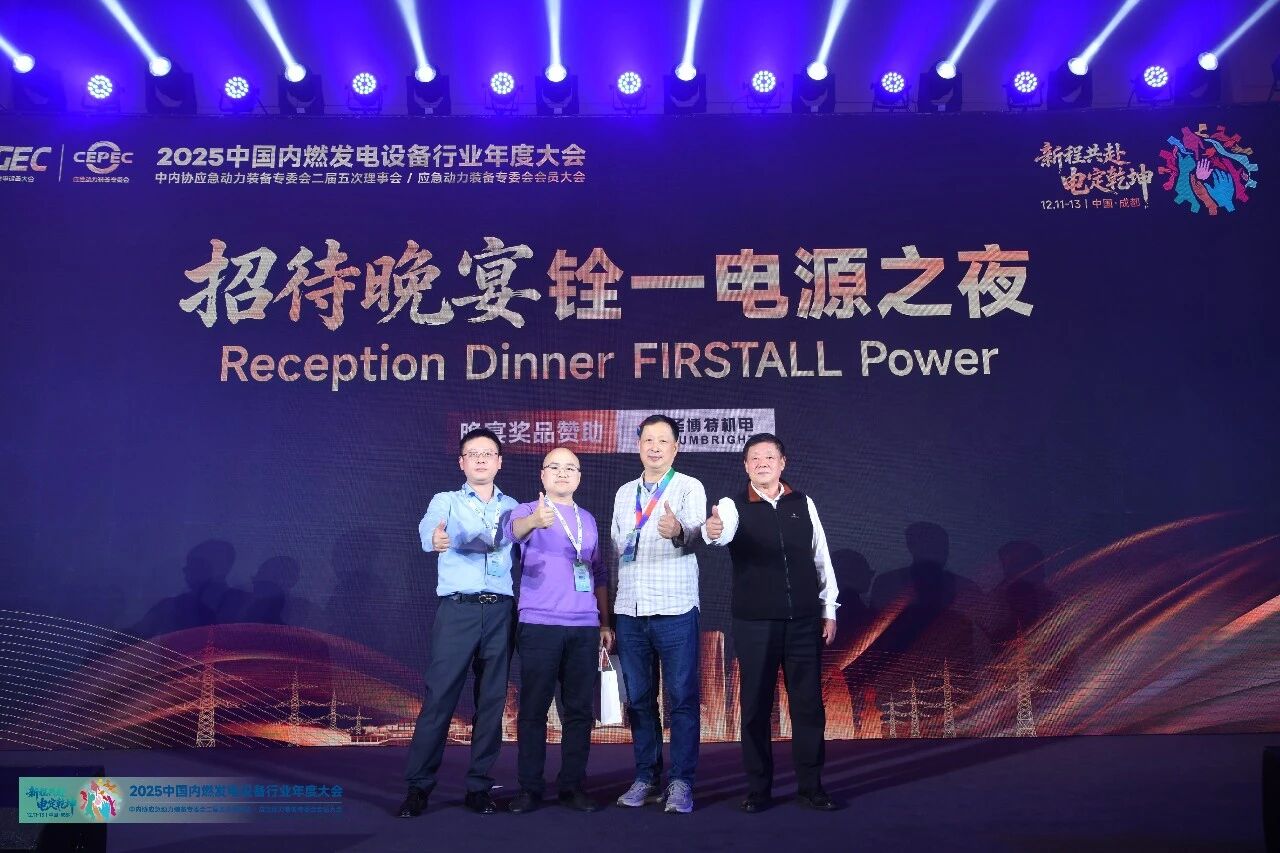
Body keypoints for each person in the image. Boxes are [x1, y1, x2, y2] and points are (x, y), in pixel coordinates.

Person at [704, 432, 841, 813]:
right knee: (755, 708)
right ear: (746, 466)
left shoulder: (803, 503)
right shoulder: (732, 505)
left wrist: (828, 609)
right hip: (755, 622)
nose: (762, 463)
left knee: (808, 707)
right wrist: (712, 531)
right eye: (754, 458)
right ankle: (758, 789)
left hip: (804, 621)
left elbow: (821, 557)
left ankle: (811, 787)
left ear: (783, 463)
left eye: (769, 457)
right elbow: (720, 533)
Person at [398, 427, 518, 818]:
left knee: (492, 701)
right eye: (473, 453)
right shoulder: (445, 500)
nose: (481, 459)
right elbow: (428, 529)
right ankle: (418, 787)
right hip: (458, 610)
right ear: (461, 462)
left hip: (500, 611)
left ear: (499, 462)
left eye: (488, 453)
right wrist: (434, 539)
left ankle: (479, 787)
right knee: (440, 698)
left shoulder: (514, 506)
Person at [504, 447, 614, 814]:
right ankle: (529, 788)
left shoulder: (588, 520)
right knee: (534, 709)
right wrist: (534, 521)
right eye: (555, 467)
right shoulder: (526, 510)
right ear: (542, 474)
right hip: (539, 624)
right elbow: (512, 532)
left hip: (583, 626)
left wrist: (604, 621)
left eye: (570, 468)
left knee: (579, 711)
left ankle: (572, 786)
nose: (562, 473)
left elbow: (598, 572)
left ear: (579, 477)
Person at [610, 414, 707, 814]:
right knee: (639, 700)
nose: (654, 447)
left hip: (675, 607)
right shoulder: (624, 493)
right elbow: (617, 545)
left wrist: (678, 530)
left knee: (682, 698)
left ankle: (681, 782)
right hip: (630, 609)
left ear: (675, 448)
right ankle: (646, 778)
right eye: (648, 440)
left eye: (662, 441)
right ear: (638, 446)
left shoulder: (688, 487)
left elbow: (698, 532)